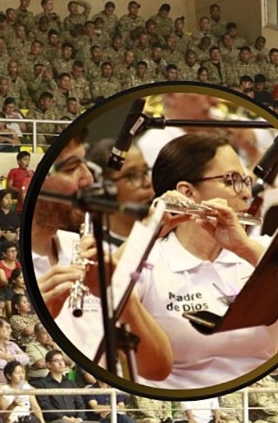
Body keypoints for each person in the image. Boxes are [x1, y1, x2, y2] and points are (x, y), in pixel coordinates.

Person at [31, 130, 172, 383]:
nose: (88, 179)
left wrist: (152, 227)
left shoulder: (81, 244)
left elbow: (158, 367)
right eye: (72, 168)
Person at [31, 349, 89, 423]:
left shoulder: (71, 383)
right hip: (57, 420)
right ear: (49, 365)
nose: (61, 363)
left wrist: (79, 419)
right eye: (56, 361)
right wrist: (65, 418)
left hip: (76, 420)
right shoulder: (42, 384)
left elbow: (80, 404)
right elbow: (46, 406)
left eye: (62, 360)